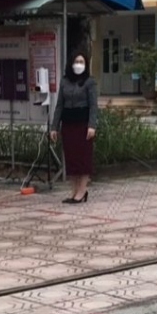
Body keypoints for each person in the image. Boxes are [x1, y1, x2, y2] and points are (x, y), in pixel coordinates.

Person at [50, 51, 99, 204]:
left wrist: (92, 125)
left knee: (83, 158)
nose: (79, 65)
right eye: (76, 61)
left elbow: (93, 106)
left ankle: (82, 191)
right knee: (71, 158)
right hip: (68, 125)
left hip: (83, 125)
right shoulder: (65, 82)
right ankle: (74, 190)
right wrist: (54, 127)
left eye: (82, 62)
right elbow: (59, 106)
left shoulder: (89, 82)